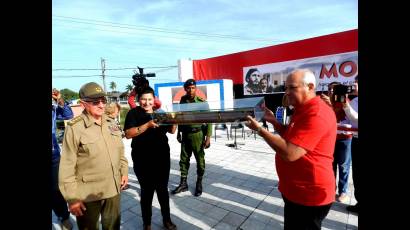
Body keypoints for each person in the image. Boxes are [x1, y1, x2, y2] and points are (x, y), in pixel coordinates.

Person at [245, 69, 337, 230]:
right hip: (296, 191)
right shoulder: (302, 108)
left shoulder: (316, 113)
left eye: (291, 88)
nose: (286, 93)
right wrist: (274, 121)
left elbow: (290, 152)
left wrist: (260, 130)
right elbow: (291, 135)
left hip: (309, 195)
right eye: (286, 87)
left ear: (309, 87)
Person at [59, 82, 129, 230]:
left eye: (103, 100)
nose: (102, 105)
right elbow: (66, 166)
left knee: (112, 226)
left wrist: (124, 171)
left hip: (113, 189)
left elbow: (120, 151)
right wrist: (72, 199)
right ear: (83, 104)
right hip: (88, 194)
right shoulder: (75, 128)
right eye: (96, 102)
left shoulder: (112, 123)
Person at [124, 86, 177, 230]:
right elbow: (128, 134)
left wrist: (176, 120)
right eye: (143, 99)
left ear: (154, 100)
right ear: (138, 100)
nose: (146, 103)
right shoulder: (133, 113)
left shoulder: (160, 113)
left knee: (162, 191)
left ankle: (167, 220)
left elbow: (171, 131)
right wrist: (147, 125)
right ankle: (147, 223)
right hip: (142, 161)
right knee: (146, 193)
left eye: (149, 99)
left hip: (161, 159)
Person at [172, 79, 212, 197]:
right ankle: (183, 183)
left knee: (200, 160)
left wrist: (208, 137)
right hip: (185, 134)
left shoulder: (202, 102)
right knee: (183, 160)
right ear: (185, 89)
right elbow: (180, 117)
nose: (191, 90)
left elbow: (209, 120)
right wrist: (178, 132)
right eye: (188, 88)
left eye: (193, 88)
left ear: (196, 88)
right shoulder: (182, 101)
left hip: (197, 134)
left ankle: (199, 182)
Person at [320, 82, 353, 203]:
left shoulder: (346, 101)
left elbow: (350, 121)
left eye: (334, 89)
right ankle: (331, 189)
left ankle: (343, 191)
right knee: (330, 165)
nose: (331, 91)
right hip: (329, 139)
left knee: (343, 166)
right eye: (329, 89)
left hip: (344, 139)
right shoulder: (324, 101)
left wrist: (331, 106)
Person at [52, 88, 74, 230]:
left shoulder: (53, 109)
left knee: (56, 191)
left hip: (53, 157)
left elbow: (68, 115)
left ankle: (64, 217)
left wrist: (59, 99)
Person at [344, 76, 359, 214]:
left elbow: (356, 119)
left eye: (357, 82)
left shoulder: (350, 102)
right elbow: (349, 120)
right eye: (354, 82)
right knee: (357, 173)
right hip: (355, 139)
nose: (354, 85)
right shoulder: (354, 100)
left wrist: (345, 105)